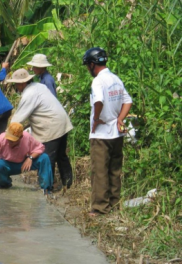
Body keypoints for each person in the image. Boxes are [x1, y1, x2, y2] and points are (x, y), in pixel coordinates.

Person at [82, 47, 132, 216]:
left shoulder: (98, 81)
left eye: (87, 66)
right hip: (117, 134)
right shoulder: (116, 79)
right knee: (114, 169)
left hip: (101, 134)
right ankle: (114, 203)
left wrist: (96, 119)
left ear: (92, 64)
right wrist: (120, 119)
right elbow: (128, 101)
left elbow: (98, 101)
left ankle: (99, 208)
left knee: (100, 171)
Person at [7, 69, 74, 191]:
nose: (16, 86)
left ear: (22, 83)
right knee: (61, 155)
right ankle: (68, 184)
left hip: (51, 126)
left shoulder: (28, 95)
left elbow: (16, 121)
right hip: (62, 121)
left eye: (16, 84)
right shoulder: (38, 86)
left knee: (47, 157)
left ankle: (47, 187)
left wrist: (7, 134)